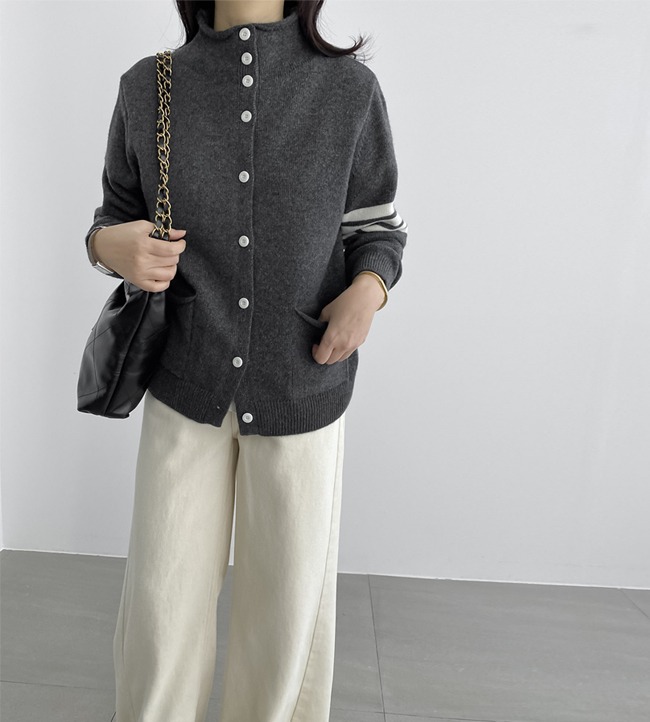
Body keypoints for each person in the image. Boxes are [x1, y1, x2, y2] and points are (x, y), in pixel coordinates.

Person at [85, 1, 408, 720]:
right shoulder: (149, 86)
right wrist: (110, 247)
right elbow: (112, 217)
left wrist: (368, 290)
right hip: (186, 378)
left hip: (303, 380)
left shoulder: (349, 91)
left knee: (287, 613)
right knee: (161, 602)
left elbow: (377, 229)